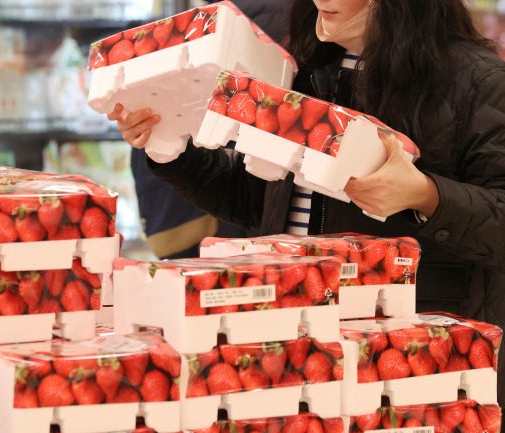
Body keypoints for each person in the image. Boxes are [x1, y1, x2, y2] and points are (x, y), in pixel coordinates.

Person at [111, 0, 505, 414]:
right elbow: (255, 204)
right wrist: (169, 149)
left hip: (418, 368)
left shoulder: (477, 82)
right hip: (296, 359)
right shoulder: (305, 70)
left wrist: (427, 195)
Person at [130, 0, 290, 259]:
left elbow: (252, 196)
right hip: (233, 213)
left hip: (228, 220)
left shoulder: (258, 22)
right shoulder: (272, 21)